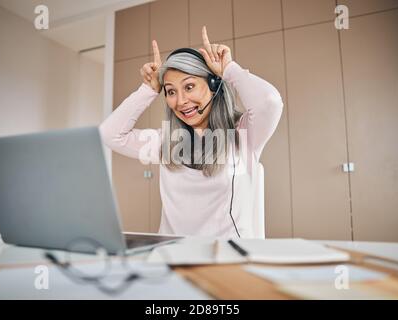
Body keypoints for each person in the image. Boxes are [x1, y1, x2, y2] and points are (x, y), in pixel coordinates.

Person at [100, 26, 283, 238]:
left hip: (226, 260)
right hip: (173, 258)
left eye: (189, 87)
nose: (180, 101)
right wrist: (148, 90)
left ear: (214, 84)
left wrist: (230, 70)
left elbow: (269, 103)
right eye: (170, 91)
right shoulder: (165, 142)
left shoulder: (243, 135)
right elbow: (109, 133)